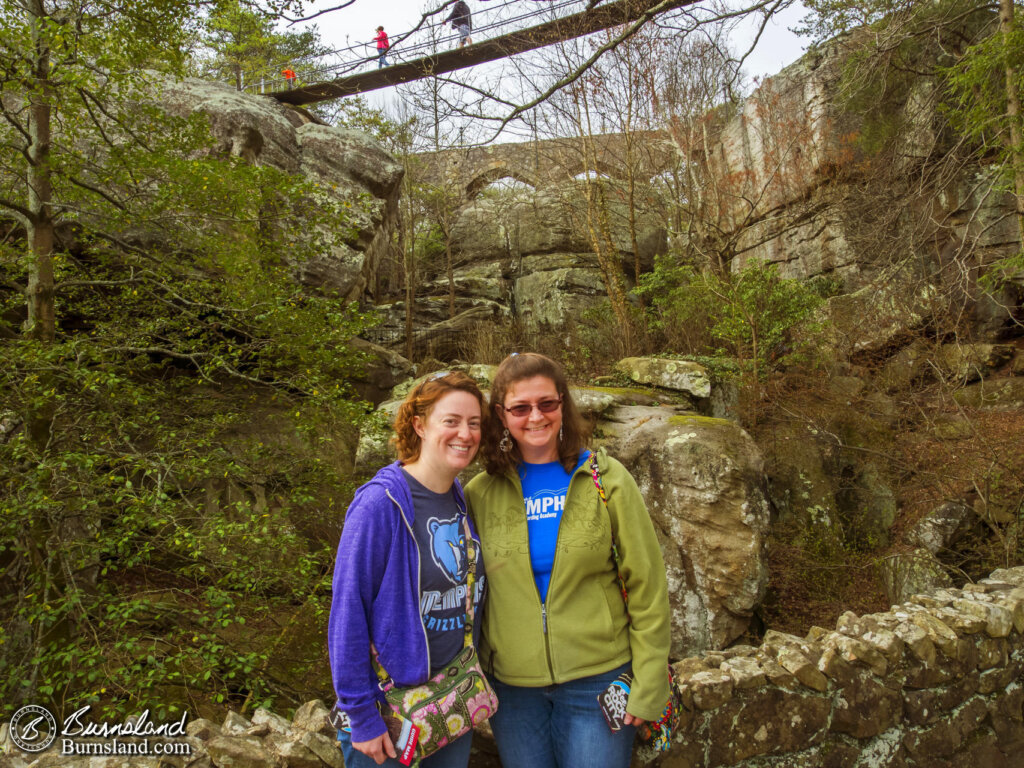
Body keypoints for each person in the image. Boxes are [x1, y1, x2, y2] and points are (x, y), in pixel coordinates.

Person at [464, 353, 670, 768]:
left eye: (547, 404)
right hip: (513, 690)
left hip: (598, 681)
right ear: (502, 416)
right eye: (520, 408)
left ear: (563, 404)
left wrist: (649, 681)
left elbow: (648, 586)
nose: (535, 416)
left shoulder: (606, 479)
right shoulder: (479, 494)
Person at [329, 371, 487, 767]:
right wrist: (362, 717)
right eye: (450, 421)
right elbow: (347, 615)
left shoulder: (459, 499)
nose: (464, 434)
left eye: (474, 423)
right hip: (389, 718)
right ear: (419, 424)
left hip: (451, 705)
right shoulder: (379, 505)